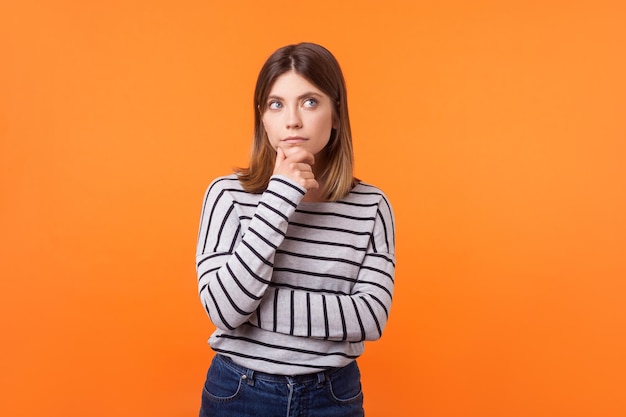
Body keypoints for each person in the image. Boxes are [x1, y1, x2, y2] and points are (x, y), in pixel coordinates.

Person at [195, 42, 396, 417]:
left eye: (309, 102)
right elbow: (224, 311)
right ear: (263, 117)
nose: (291, 121)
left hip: (332, 396)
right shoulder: (226, 195)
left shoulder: (371, 206)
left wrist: (253, 312)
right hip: (239, 392)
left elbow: (369, 317)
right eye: (276, 104)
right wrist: (280, 197)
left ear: (336, 114)